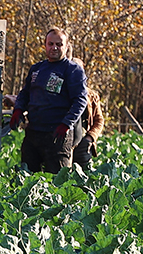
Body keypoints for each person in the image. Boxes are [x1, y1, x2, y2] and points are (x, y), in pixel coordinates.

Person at [10, 28, 89, 173]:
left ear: (66, 46)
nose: (54, 48)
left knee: (58, 181)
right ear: (45, 45)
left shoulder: (73, 71)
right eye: (51, 44)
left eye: (59, 44)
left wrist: (66, 124)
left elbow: (80, 100)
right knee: (27, 177)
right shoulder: (37, 69)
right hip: (33, 133)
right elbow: (25, 93)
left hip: (57, 135)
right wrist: (19, 109)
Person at [71, 60, 105, 168]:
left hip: (83, 143)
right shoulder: (60, 93)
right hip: (62, 143)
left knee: (84, 177)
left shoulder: (92, 96)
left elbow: (99, 120)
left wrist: (90, 138)